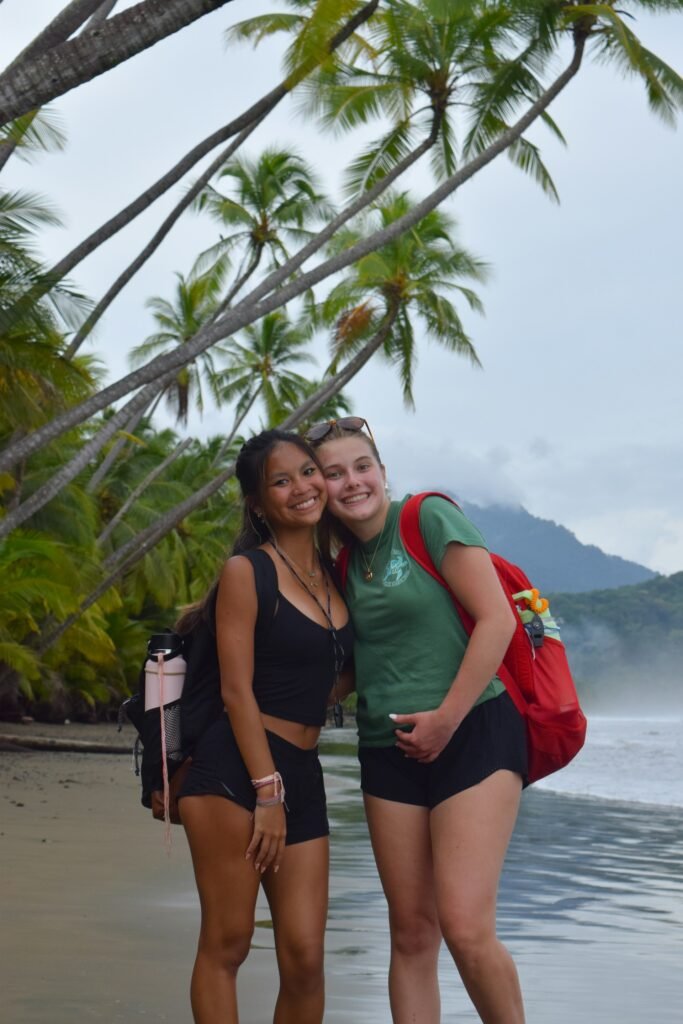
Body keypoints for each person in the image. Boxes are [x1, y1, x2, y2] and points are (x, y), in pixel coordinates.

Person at [308, 416, 527, 1024]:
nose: (352, 482)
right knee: (410, 933)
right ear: (319, 487)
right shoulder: (342, 562)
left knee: (464, 926)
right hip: (386, 747)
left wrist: (445, 721)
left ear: (382, 472)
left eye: (362, 467)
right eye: (333, 473)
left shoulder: (427, 518)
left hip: (475, 729)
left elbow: (498, 620)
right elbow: (356, 664)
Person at [176, 428, 353, 1024]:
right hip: (238, 773)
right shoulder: (247, 572)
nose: (302, 488)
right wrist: (267, 790)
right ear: (257, 502)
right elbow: (235, 689)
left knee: (304, 959)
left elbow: (330, 677)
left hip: (302, 769)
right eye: (281, 480)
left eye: (308, 472)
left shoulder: (337, 577)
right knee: (228, 944)